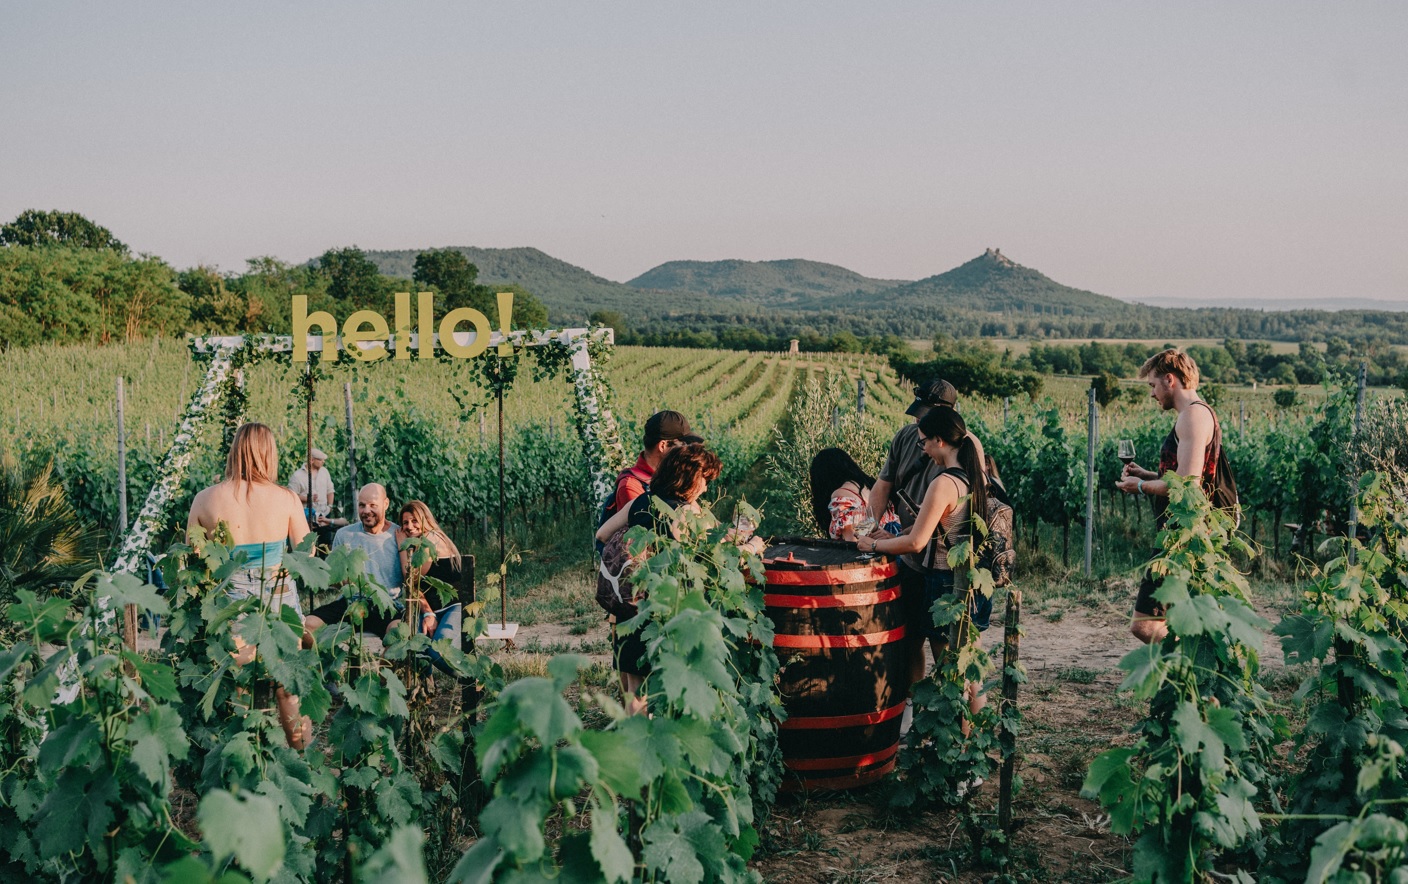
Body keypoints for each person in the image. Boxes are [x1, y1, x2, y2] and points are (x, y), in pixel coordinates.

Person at [595, 443, 760, 714]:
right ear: (690, 477)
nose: (706, 488)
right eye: (705, 480)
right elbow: (715, 560)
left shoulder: (641, 500)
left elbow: (602, 534)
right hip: (668, 609)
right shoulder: (683, 514)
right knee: (675, 687)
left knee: (636, 693)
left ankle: (635, 748)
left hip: (631, 604)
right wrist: (752, 548)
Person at [857, 406, 989, 736]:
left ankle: (959, 754)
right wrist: (895, 536)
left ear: (940, 441)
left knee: (952, 675)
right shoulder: (970, 474)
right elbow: (939, 530)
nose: (923, 451)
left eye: (924, 443)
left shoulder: (943, 482)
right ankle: (973, 750)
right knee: (968, 669)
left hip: (943, 583)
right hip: (965, 580)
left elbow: (917, 544)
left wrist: (872, 545)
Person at [187, 422, 314, 750]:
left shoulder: (205, 499)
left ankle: (246, 770)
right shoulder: (286, 499)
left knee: (242, 685)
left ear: (234, 452)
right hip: (279, 598)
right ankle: (300, 763)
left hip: (233, 600)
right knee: (288, 687)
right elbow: (305, 551)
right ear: (268, 454)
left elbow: (196, 556)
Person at [1115, 348, 1222, 645]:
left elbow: (1186, 485)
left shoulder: (1192, 417)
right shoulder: (1198, 413)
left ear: (1170, 380)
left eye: (1152, 385)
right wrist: (1149, 475)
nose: (1152, 394)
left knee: (1145, 626)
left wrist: (1138, 486)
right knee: (1174, 619)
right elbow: (1186, 476)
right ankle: (1187, 681)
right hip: (1181, 534)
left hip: (1180, 537)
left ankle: (1190, 667)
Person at [305, 483, 406, 637]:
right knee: (307, 626)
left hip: (386, 605)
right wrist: (339, 580)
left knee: (398, 633)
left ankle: (381, 662)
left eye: (373, 505)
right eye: (362, 505)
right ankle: (326, 659)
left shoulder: (399, 536)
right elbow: (333, 579)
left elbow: (409, 577)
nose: (366, 511)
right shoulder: (344, 535)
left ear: (386, 504)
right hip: (349, 603)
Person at [396, 499, 465, 673]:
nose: (410, 527)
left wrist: (401, 547)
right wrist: (428, 612)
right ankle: (423, 693)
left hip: (455, 607)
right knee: (417, 650)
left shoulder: (429, 539)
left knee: (437, 652)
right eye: (405, 522)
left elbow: (410, 579)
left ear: (425, 520)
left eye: (414, 521)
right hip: (433, 608)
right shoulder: (421, 540)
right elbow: (414, 587)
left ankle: (472, 681)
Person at [603, 410, 704, 522]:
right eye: (683, 445)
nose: (686, 451)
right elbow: (649, 530)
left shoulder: (673, 479)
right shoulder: (630, 486)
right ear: (663, 446)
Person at [809, 447, 901, 541]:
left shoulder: (841, 495)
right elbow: (869, 524)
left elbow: (851, 540)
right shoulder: (871, 486)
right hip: (892, 549)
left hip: (868, 552)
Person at [287, 448, 344, 548]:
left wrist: (329, 507)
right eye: (320, 459)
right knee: (307, 545)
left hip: (324, 514)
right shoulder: (297, 476)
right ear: (312, 460)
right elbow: (291, 496)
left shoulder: (324, 472)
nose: (323, 461)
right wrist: (307, 498)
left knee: (326, 544)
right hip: (306, 517)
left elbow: (330, 490)